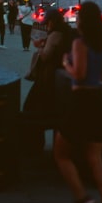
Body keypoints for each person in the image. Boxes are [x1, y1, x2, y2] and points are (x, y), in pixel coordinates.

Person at [53, 1, 102, 203]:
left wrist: (65, 63)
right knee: (95, 157)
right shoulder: (101, 45)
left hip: (81, 102)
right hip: (98, 102)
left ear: (83, 21)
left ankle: (81, 199)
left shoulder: (80, 44)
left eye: (79, 15)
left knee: (61, 154)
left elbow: (79, 74)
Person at [20, 8, 73, 152]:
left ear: (52, 22)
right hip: (59, 79)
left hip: (48, 79)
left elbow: (45, 56)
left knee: (31, 108)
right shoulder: (66, 32)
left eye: (47, 23)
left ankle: (33, 146)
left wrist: (39, 46)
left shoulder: (55, 35)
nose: (46, 26)